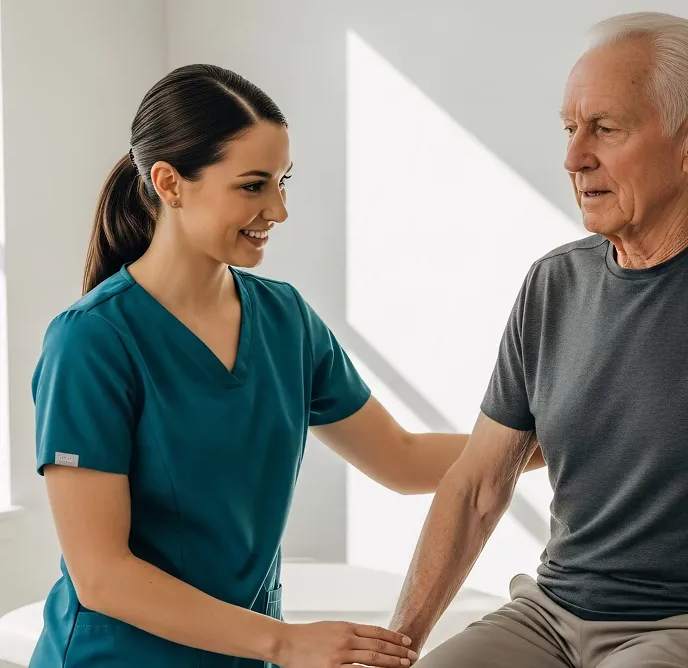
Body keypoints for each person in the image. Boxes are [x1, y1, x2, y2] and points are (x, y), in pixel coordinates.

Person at [30, 64, 540, 668]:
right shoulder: (92, 341)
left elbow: (400, 459)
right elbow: (102, 577)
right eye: (252, 186)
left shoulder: (285, 320)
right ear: (170, 183)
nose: (279, 209)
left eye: (282, 181)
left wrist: (573, 443)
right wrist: (287, 641)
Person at [389, 13, 688, 668]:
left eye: (605, 128)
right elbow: (479, 486)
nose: (574, 158)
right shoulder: (553, 285)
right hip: (553, 617)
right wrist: (393, 649)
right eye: (571, 129)